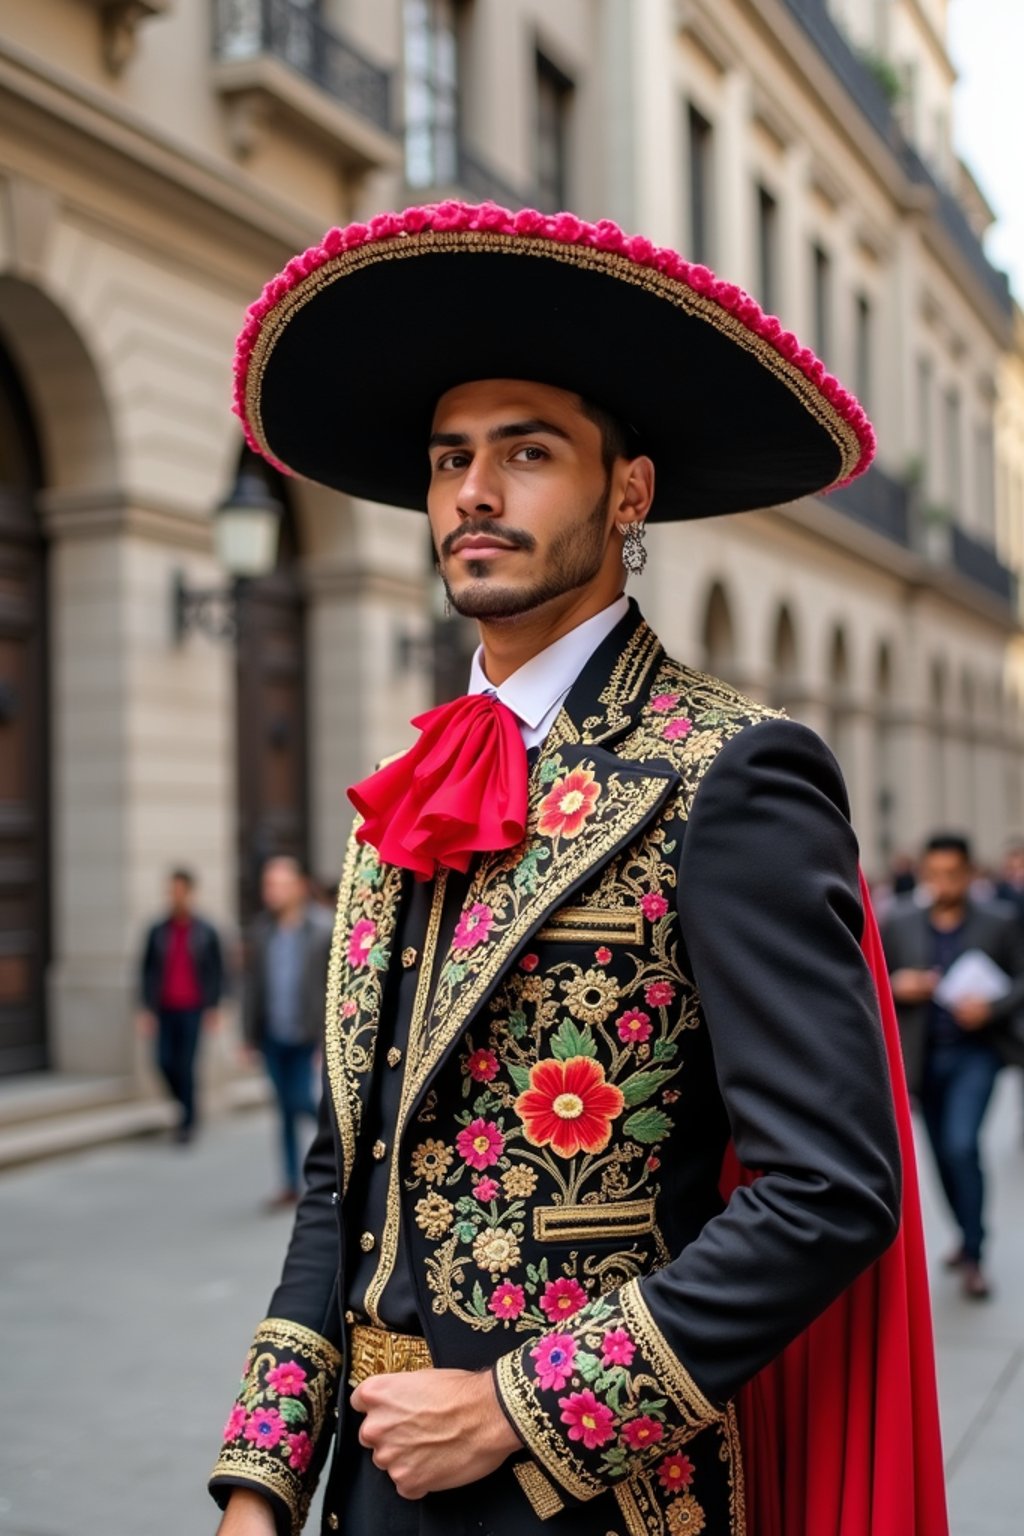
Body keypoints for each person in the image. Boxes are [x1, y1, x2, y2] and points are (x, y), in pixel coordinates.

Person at [209, 203, 946, 1536]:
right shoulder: (408, 789)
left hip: (599, 1497)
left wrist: (513, 1410)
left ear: (628, 493)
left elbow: (831, 1192)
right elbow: (348, 1171)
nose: (473, 496)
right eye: (449, 462)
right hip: (368, 1494)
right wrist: (261, 1478)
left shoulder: (735, 770)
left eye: (526, 454)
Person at [882, 832, 1024, 1298]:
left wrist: (993, 1006)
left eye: (953, 873)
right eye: (935, 873)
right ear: (924, 874)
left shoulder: (998, 920)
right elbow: (869, 976)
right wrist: (897, 986)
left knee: (963, 1146)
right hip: (922, 1057)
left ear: (968, 873)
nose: (944, 882)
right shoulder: (899, 921)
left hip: (976, 1055)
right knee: (942, 1154)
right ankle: (965, 1236)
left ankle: (976, 1253)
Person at [243, 856, 334, 1207]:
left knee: (300, 1101)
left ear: (298, 887)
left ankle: (336, 1155)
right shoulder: (261, 930)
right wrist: (249, 1036)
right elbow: (252, 986)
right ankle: (290, 1182)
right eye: (268, 885)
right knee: (282, 1109)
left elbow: (332, 988)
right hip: (273, 1035)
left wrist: (327, 1039)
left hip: (306, 1036)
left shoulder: (323, 928)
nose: (272, 892)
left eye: (280, 884)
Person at [138, 868, 224, 1142]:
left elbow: (218, 970)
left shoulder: (206, 931)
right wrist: (145, 1008)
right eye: (170, 891)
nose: (174, 896)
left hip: (193, 1008)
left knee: (186, 1064)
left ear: (189, 892)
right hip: (164, 1008)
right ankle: (184, 1105)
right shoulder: (157, 931)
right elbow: (146, 969)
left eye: (179, 890)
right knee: (163, 1061)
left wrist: (214, 1006)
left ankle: (187, 1121)